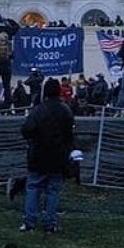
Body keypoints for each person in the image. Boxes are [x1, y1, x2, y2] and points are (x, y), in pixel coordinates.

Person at [20, 77, 75, 233]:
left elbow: (26, 130)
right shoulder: (66, 110)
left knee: (33, 189)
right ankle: (50, 224)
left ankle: (29, 222)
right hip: (58, 157)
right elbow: (70, 134)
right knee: (53, 191)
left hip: (38, 155)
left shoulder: (37, 111)